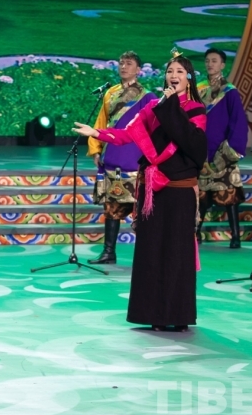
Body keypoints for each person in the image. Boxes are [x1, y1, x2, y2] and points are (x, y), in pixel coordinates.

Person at [73, 50, 207, 332]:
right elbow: (128, 134)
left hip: (179, 192)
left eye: (179, 72)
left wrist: (171, 106)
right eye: (170, 71)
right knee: (152, 253)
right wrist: (97, 133)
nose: (173, 76)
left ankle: (178, 315)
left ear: (189, 78)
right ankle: (155, 314)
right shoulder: (154, 107)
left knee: (177, 253)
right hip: (153, 191)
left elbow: (191, 143)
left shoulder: (196, 110)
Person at [87, 51, 157, 264]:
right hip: (112, 157)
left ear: (139, 70)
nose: (124, 66)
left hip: (136, 160)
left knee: (142, 212)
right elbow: (101, 123)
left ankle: (146, 257)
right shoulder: (110, 93)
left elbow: (153, 131)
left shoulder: (148, 97)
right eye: (121, 63)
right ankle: (109, 252)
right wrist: (96, 149)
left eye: (129, 63)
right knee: (111, 208)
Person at [196, 48, 248, 248]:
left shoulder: (230, 92)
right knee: (200, 197)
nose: (210, 64)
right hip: (201, 151)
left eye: (214, 61)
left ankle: (235, 237)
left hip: (222, 152)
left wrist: (229, 151)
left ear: (223, 65)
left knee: (229, 197)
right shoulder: (198, 90)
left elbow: (237, 122)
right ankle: (195, 233)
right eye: (207, 60)